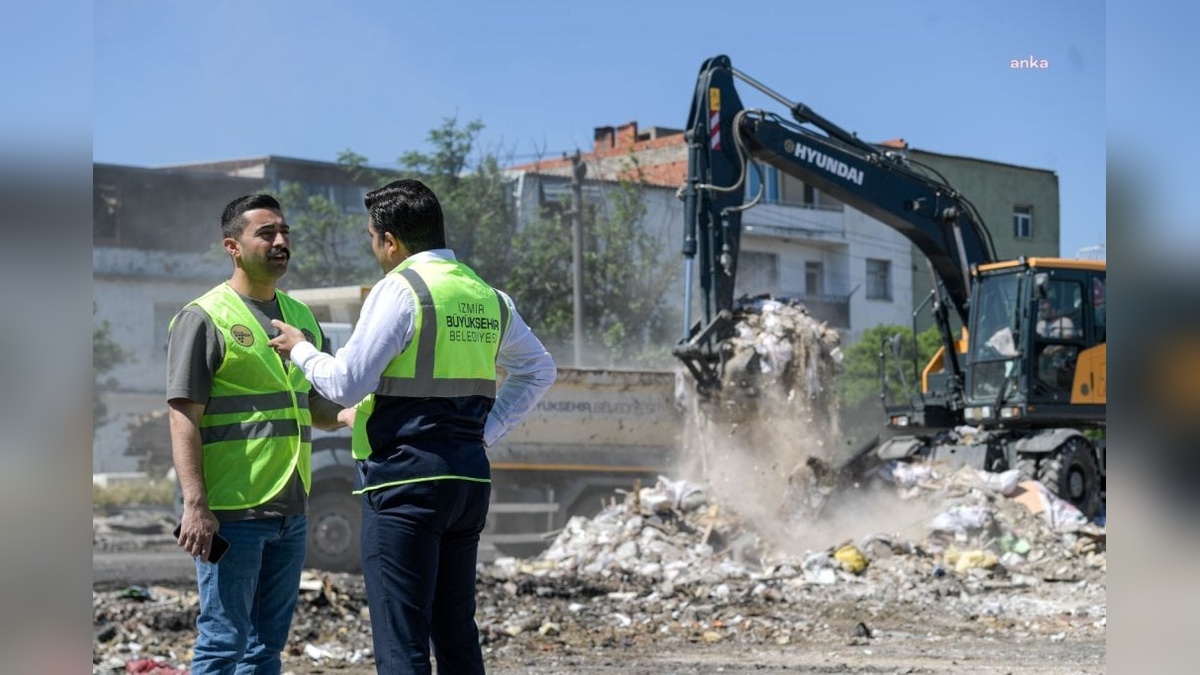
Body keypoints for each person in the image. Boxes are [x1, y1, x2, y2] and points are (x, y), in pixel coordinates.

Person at [269, 178, 556, 674]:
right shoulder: (487, 295)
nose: (373, 248)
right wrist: (479, 434)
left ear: (390, 241)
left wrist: (300, 349)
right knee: (456, 633)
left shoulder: (399, 289)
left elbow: (346, 384)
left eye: (370, 238)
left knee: (401, 639)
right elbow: (539, 369)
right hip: (467, 482)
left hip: (404, 485)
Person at [167, 193, 345, 674]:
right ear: (233, 246)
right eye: (266, 233)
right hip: (232, 511)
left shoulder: (303, 319)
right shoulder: (204, 317)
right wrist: (195, 505)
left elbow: (312, 403)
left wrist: (351, 415)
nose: (280, 241)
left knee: (266, 648)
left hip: (292, 507)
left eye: (285, 232)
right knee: (224, 644)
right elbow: (183, 415)